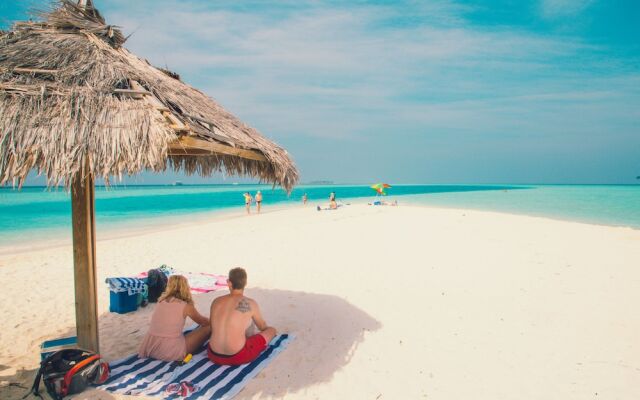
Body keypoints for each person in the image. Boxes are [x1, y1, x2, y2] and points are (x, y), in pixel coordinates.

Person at [208, 267, 277, 365]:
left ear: (229, 282)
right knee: (271, 330)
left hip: (213, 355)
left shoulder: (216, 301)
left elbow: (212, 328)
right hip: (237, 357)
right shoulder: (250, 303)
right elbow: (262, 327)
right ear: (245, 283)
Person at [138, 275, 211, 361]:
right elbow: (204, 322)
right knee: (209, 327)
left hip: (151, 347)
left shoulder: (161, 301)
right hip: (171, 351)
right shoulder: (185, 306)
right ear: (185, 287)